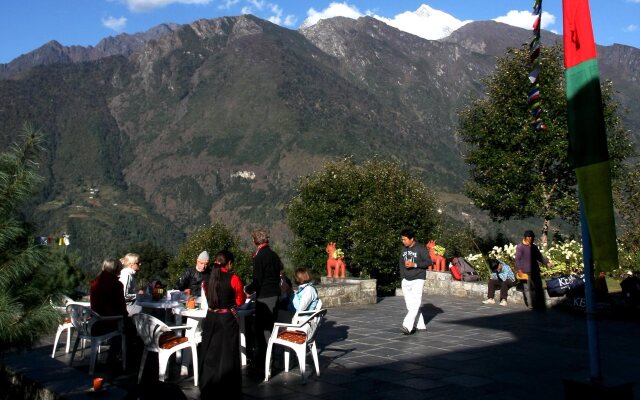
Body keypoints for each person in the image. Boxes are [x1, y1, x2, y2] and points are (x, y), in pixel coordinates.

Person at [199, 250, 246, 399]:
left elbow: (207, 296)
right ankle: (227, 389)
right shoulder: (234, 279)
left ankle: (208, 386)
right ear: (229, 263)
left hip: (211, 317)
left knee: (210, 352)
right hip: (227, 318)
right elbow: (240, 300)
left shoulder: (207, 278)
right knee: (228, 353)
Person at [244, 228, 282, 369]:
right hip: (275, 294)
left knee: (261, 329)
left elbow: (257, 280)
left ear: (255, 241)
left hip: (265, 296)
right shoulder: (274, 255)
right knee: (269, 328)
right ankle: (268, 360)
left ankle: (264, 363)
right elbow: (279, 270)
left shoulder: (259, 257)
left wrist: (247, 290)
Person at [90, 259, 129, 367]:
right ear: (117, 269)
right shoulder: (116, 285)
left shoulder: (95, 282)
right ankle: (118, 358)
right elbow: (122, 308)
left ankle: (117, 355)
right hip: (107, 323)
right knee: (131, 327)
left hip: (94, 323)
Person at [399, 229, 432, 335]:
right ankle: (420, 325)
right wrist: (402, 277)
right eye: (402, 239)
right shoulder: (403, 249)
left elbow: (429, 262)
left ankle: (407, 326)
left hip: (418, 278)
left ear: (411, 239)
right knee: (410, 305)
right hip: (406, 279)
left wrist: (415, 265)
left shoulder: (420, 248)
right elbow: (400, 263)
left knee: (416, 302)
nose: (403, 241)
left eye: (404, 239)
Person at [515, 230, 552, 310]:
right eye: (529, 237)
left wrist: (547, 263)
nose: (530, 238)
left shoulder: (534, 247)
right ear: (525, 237)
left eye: (532, 237)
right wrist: (519, 270)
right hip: (524, 272)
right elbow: (517, 259)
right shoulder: (520, 247)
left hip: (535, 270)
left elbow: (539, 257)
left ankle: (540, 304)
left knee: (538, 287)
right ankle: (531, 305)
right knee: (527, 289)